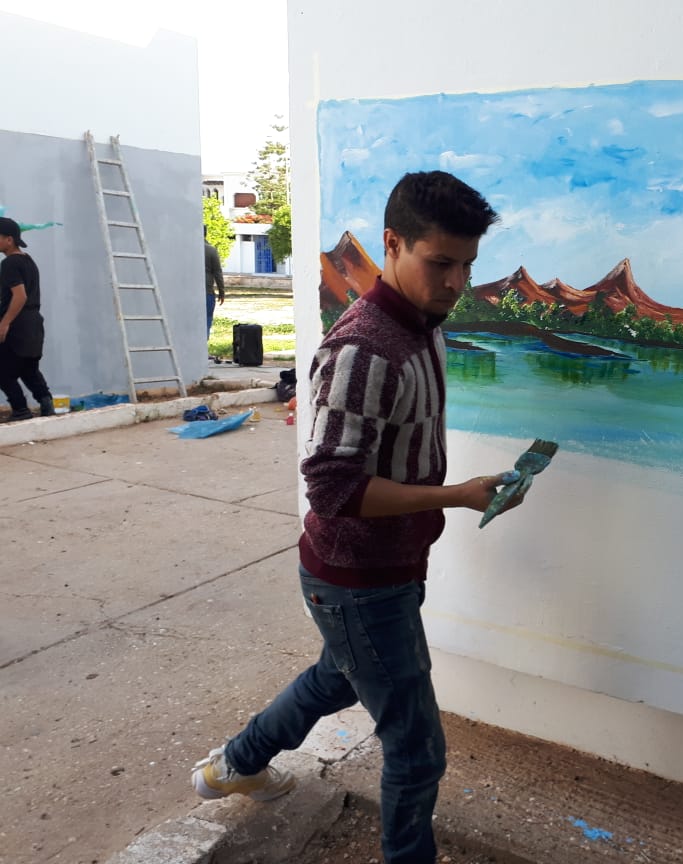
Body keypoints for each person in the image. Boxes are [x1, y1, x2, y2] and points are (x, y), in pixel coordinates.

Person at [191, 171, 522, 864]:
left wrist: (458, 495)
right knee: (417, 750)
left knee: (337, 676)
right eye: (440, 262)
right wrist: (455, 495)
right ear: (392, 244)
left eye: (467, 265)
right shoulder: (365, 348)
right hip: (358, 577)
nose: (456, 282)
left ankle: (234, 765)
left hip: (384, 567)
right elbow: (333, 487)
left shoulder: (423, 325)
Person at [0, 216, 55, 421]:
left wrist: (5, 322)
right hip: (33, 324)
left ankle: (21, 410)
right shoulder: (28, 260)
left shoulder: (9, 263)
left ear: (9, 240)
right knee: (28, 369)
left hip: (18, 324)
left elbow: (20, 296)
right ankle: (47, 405)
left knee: (3, 372)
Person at [204, 227, 225, 340]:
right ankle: (204, 345)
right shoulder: (211, 250)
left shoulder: (186, 249)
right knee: (207, 319)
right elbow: (217, 272)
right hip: (207, 292)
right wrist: (222, 292)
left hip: (189, 292)